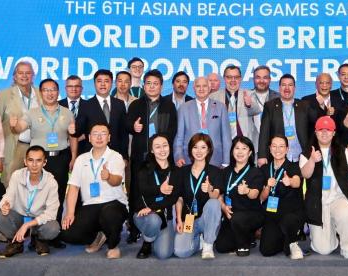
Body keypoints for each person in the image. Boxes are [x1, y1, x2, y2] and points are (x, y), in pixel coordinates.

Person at [16, 79, 77, 247]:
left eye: (53, 90)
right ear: (41, 93)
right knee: (37, 197)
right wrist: (15, 125)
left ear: (58, 92)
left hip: (61, 158)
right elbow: (19, 127)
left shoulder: (67, 112)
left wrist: (73, 157)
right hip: (39, 161)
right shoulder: (32, 113)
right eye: (46, 90)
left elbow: (72, 137)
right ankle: (35, 235)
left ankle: (53, 234)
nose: (50, 93)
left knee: (57, 196)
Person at [60, 123, 128, 258]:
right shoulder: (81, 159)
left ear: (109, 138)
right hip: (90, 205)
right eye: (95, 134)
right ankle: (100, 234)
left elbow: (117, 181)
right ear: (89, 138)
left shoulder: (116, 157)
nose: (99, 137)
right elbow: (74, 187)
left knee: (110, 215)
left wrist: (109, 177)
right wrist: (70, 213)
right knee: (68, 234)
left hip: (114, 202)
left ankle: (113, 246)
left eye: (103, 134)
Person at [301, 116, 348, 259]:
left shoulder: (343, 151)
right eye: (321, 130)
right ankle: (332, 233)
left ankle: (347, 246)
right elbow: (305, 174)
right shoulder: (308, 152)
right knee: (323, 250)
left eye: (328, 130)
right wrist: (312, 160)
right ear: (315, 132)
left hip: (338, 199)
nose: (324, 133)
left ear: (334, 133)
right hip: (317, 203)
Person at [0, 145, 61, 257]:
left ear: (44, 162)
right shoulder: (17, 175)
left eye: (38, 160)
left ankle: (39, 239)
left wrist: (27, 225)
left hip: (38, 219)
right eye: (31, 160)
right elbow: (8, 196)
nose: (34, 164)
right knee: (1, 216)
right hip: (19, 216)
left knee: (53, 228)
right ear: (25, 161)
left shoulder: (51, 182)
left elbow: (51, 213)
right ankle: (16, 242)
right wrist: (5, 205)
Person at [127, 69, 178, 207]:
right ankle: (136, 216)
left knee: (161, 185)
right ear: (144, 85)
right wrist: (133, 127)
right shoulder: (135, 104)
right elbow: (127, 124)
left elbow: (173, 129)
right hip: (141, 154)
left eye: (155, 83)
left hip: (161, 155)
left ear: (161, 86)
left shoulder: (169, 105)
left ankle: (161, 214)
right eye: (148, 83)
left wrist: (162, 147)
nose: (151, 86)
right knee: (137, 188)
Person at [173, 133, 224, 259]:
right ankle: (198, 242)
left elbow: (216, 196)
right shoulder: (182, 171)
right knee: (180, 252)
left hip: (208, 220)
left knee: (214, 203)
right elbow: (179, 199)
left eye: (203, 147)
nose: (199, 151)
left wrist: (210, 190)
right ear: (190, 149)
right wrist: (179, 219)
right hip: (189, 219)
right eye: (195, 147)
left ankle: (208, 244)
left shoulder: (215, 171)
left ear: (209, 150)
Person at [214, 136, 268, 256]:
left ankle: (244, 245)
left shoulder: (256, 172)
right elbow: (219, 194)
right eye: (237, 148)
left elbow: (255, 194)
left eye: (244, 148)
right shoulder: (226, 171)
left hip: (252, 214)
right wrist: (223, 207)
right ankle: (248, 236)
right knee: (221, 247)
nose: (240, 152)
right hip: (231, 215)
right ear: (232, 151)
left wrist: (247, 191)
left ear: (250, 153)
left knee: (238, 218)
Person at [133, 134, 181, 259]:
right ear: (152, 150)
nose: (162, 150)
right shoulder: (144, 168)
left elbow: (173, 198)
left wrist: (152, 207)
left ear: (169, 147)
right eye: (158, 147)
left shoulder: (175, 171)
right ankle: (147, 241)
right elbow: (142, 189)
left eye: (165, 145)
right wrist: (159, 188)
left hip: (165, 216)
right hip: (144, 215)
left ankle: (153, 235)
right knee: (154, 220)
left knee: (163, 254)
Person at [258, 135, 306, 258]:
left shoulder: (293, 166)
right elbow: (262, 198)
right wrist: (267, 187)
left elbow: (297, 182)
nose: (277, 149)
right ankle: (286, 239)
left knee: (289, 219)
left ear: (287, 149)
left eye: (281, 146)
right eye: (274, 146)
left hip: (290, 212)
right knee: (266, 250)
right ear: (270, 149)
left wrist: (290, 181)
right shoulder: (264, 169)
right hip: (272, 213)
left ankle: (293, 242)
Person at [0, 61, 39, 179]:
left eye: (28, 73)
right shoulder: (3, 95)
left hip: (37, 147)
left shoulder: (41, 94)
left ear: (33, 76)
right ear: (14, 76)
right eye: (20, 73)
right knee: (10, 182)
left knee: (35, 183)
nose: (24, 76)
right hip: (14, 147)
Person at [257, 74, 311, 167]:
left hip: (301, 157)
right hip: (278, 157)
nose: (287, 88)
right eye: (283, 85)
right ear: (279, 88)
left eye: (290, 85)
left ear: (294, 88)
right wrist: (262, 155)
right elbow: (264, 133)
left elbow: (315, 125)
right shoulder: (270, 106)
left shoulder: (304, 105)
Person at [175, 76, 231, 167]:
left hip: (215, 159)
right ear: (194, 88)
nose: (201, 89)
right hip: (189, 159)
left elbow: (226, 137)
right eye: (198, 86)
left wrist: (226, 161)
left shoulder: (221, 107)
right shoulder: (183, 108)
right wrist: (178, 155)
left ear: (209, 88)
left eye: (204, 86)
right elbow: (179, 136)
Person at [75, 69, 129, 159]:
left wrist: (125, 157)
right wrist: (72, 130)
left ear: (112, 83)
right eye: (99, 81)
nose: (103, 84)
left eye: (106, 81)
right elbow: (79, 131)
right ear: (94, 84)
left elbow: (124, 134)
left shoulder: (120, 104)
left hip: (115, 155)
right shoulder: (85, 105)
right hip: (92, 155)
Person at [210, 64, 263, 147]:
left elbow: (257, 110)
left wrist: (249, 105)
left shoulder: (249, 93)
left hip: (244, 142)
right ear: (224, 78)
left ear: (240, 79)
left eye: (236, 77)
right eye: (229, 77)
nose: (233, 80)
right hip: (221, 142)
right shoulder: (214, 97)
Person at [249, 65, 279, 150]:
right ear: (253, 79)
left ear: (270, 79)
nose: (261, 81)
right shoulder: (246, 96)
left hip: (273, 145)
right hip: (250, 144)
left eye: (265, 77)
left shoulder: (278, 98)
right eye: (258, 77)